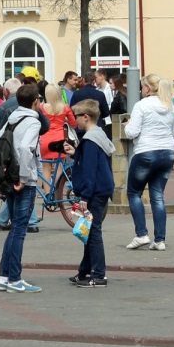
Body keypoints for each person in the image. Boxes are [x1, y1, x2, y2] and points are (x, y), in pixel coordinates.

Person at [0, 84, 43, 293]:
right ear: (35, 102)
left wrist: (5, 171)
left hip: (10, 180)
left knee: (13, 229)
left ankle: (4, 276)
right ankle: (15, 278)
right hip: (24, 182)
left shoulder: (13, 118)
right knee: (19, 230)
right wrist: (23, 176)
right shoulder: (32, 122)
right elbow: (25, 148)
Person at [122, 74, 174, 251]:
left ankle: (141, 234)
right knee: (158, 196)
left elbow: (131, 132)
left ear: (147, 88)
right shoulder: (170, 106)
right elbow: (173, 130)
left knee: (133, 193)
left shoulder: (141, 105)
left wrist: (127, 125)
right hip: (167, 152)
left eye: (142, 86)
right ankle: (159, 239)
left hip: (146, 152)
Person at [65, 99, 114, 288]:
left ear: (86, 117)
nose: (74, 121)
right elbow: (90, 161)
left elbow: (90, 169)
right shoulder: (98, 135)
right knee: (88, 230)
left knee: (93, 232)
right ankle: (85, 271)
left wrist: (84, 196)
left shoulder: (90, 140)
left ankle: (99, 274)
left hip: (95, 191)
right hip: (101, 188)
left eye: (76, 117)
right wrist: (75, 153)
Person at [38, 84, 76, 195]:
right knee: (59, 166)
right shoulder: (65, 107)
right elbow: (74, 124)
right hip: (60, 140)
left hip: (45, 139)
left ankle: (47, 193)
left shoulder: (42, 108)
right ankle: (57, 192)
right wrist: (64, 120)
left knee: (46, 168)